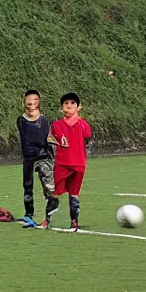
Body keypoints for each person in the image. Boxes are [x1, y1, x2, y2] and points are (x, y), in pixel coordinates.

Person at [49, 93, 92, 231]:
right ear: (62, 107)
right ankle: (47, 219)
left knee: (74, 193)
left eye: (73, 103)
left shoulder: (83, 125)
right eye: (66, 103)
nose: (69, 105)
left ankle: (74, 221)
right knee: (56, 191)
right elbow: (51, 139)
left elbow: (87, 136)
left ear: (78, 107)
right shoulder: (56, 125)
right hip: (62, 163)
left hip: (79, 163)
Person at [16, 90, 58, 228]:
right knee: (27, 186)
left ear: (38, 103)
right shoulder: (21, 120)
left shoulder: (43, 120)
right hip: (28, 158)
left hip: (43, 156)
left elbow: (47, 138)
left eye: (34, 102)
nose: (31, 105)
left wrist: (54, 155)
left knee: (49, 186)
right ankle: (29, 214)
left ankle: (51, 212)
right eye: (28, 103)